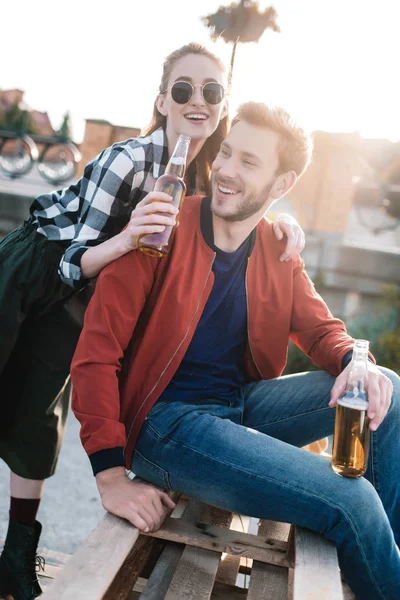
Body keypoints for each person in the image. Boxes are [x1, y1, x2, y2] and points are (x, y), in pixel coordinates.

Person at [0, 44, 305, 600]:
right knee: (27, 403)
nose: (197, 100)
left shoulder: (210, 165)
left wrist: (283, 222)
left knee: (40, 423)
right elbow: (72, 259)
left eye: (212, 91)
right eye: (183, 89)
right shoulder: (129, 161)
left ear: (223, 104)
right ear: (163, 99)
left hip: (96, 285)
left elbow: (243, 204)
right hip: (44, 267)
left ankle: (15, 551)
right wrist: (128, 237)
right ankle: (17, 555)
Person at [71, 101, 400, 600]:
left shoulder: (275, 247)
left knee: (388, 387)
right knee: (351, 500)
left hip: (237, 408)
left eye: (249, 162)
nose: (224, 169)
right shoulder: (160, 229)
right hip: (168, 426)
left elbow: (321, 331)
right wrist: (110, 474)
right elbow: (95, 353)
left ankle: (384, 567)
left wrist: (357, 360)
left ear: (282, 184)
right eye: (226, 153)